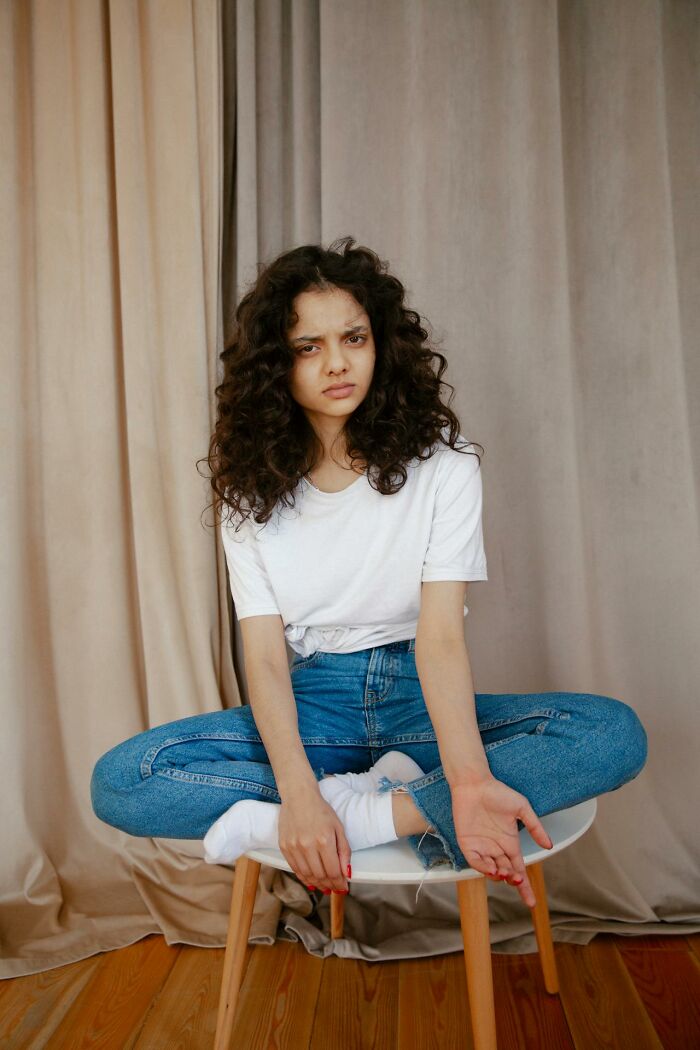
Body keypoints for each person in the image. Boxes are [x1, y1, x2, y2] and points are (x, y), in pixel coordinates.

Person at [91, 236, 648, 909]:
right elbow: (264, 659)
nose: (336, 363)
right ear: (277, 365)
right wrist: (298, 795)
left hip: (422, 703)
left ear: (380, 344)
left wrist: (470, 780)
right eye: (308, 347)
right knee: (121, 781)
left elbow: (440, 641)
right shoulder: (251, 494)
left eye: (353, 338)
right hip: (313, 711)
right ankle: (381, 803)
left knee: (614, 734)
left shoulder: (446, 467)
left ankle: (373, 814)